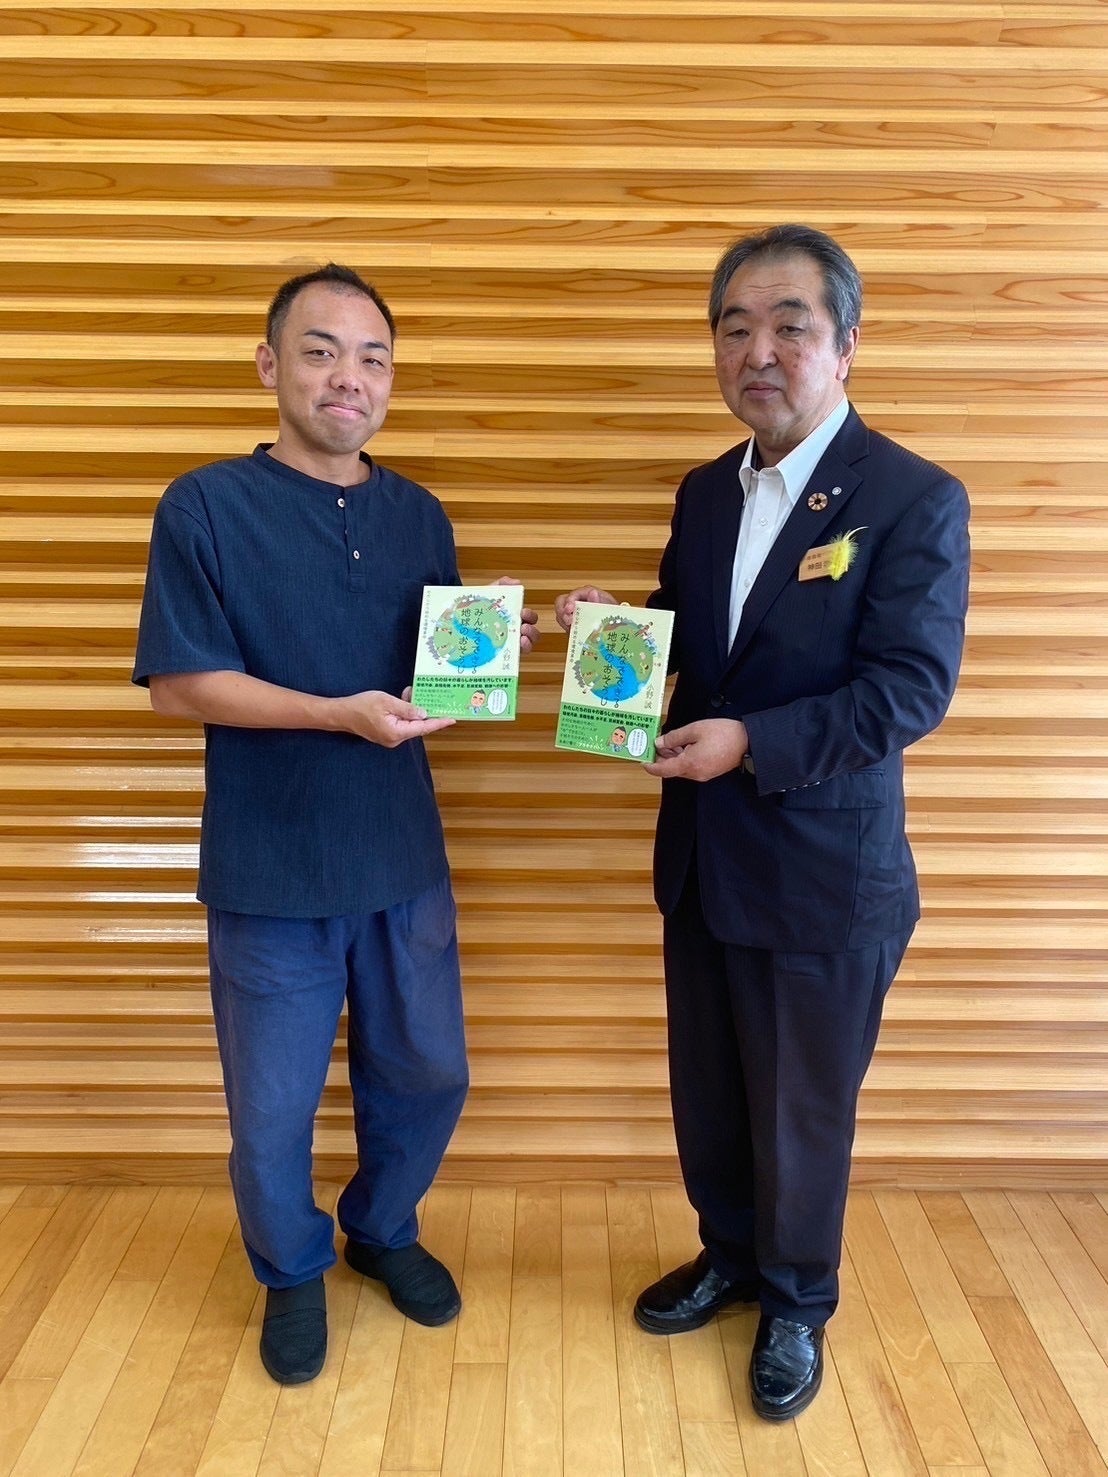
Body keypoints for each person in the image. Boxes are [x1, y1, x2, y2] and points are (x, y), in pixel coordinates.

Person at [556, 225, 969, 1421]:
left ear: (845, 343)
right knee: (711, 1093)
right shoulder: (705, 491)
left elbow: (909, 689)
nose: (758, 351)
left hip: (822, 874)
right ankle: (729, 1256)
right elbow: (693, 641)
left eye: (790, 325)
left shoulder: (910, 496)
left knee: (799, 1110)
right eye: (733, 328)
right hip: (703, 857)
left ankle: (796, 1299)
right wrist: (611, 629)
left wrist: (751, 743)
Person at [133, 263, 538, 1385]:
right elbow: (179, 683)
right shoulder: (204, 505)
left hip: (403, 856)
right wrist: (331, 712)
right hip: (268, 866)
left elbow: (432, 686)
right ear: (271, 365)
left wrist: (495, 651)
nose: (347, 377)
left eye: (372, 357)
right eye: (320, 351)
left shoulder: (419, 515)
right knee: (271, 1110)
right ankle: (291, 1267)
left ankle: (381, 1228)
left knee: (428, 1071)